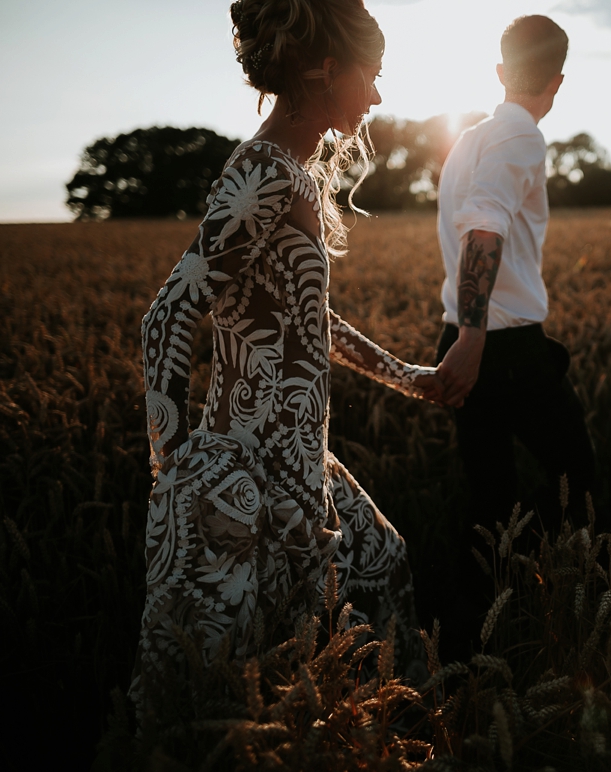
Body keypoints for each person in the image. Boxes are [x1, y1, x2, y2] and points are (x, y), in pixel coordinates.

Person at [131, 0, 442, 706]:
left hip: (300, 457)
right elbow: (167, 315)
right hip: (252, 469)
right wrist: (177, 472)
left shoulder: (292, 172)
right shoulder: (265, 171)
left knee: (380, 570)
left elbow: (310, 320)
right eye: (373, 74)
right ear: (328, 70)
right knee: (251, 675)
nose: (378, 95)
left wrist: (412, 379)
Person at [434, 15, 596, 651]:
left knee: (489, 497)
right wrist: (475, 340)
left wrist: (461, 336)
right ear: (558, 82)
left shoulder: (468, 141)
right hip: (500, 346)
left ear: (501, 73)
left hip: (461, 333)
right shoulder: (521, 137)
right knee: (575, 473)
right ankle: (558, 606)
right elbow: (483, 227)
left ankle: (483, 631)